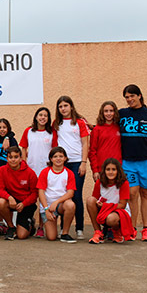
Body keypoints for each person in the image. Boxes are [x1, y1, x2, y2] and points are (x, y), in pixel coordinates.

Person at [119, 84, 147, 242]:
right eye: (126, 97)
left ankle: (146, 229)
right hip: (128, 162)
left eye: (132, 96)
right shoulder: (122, 114)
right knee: (131, 194)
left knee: (146, 193)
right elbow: (107, 125)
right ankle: (132, 229)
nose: (129, 99)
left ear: (139, 95)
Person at [54, 96, 89, 240]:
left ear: (71, 107)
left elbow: (86, 143)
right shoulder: (56, 123)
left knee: (76, 195)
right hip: (62, 163)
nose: (63, 109)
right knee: (64, 197)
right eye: (60, 106)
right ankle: (64, 227)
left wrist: (84, 162)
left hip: (77, 163)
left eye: (65, 105)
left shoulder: (80, 122)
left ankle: (79, 228)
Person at [19, 107, 57, 238]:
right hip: (31, 170)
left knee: (43, 199)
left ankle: (41, 227)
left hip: (46, 172)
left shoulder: (51, 133)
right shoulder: (28, 131)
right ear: (36, 117)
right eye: (40, 115)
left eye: (45, 116)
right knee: (30, 197)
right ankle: (29, 222)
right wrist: (24, 164)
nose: (43, 118)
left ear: (48, 119)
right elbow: (23, 148)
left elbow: (55, 151)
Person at [87, 158, 134, 244]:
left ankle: (117, 232)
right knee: (90, 200)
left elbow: (122, 205)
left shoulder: (124, 183)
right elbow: (95, 199)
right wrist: (99, 204)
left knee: (111, 219)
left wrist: (105, 206)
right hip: (104, 210)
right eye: (108, 169)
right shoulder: (99, 182)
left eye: (113, 169)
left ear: (118, 171)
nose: (111, 172)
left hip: (119, 211)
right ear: (104, 171)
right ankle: (98, 232)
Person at [0, 146, 38, 240]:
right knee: (1, 202)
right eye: (10, 157)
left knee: (21, 236)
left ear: (20, 158)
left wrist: (24, 203)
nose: (13, 160)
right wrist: (9, 198)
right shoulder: (2, 170)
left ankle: (30, 224)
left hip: (25, 202)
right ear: (7, 158)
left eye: (16, 157)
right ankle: (11, 227)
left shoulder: (30, 173)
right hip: (11, 200)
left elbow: (35, 194)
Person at [36, 147, 77, 243]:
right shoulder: (45, 172)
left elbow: (70, 193)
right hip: (48, 207)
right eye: (55, 156)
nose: (58, 159)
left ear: (65, 158)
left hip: (61, 205)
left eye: (61, 156)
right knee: (51, 237)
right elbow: (41, 192)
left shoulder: (69, 173)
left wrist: (57, 202)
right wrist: (46, 209)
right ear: (51, 159)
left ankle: (65, 233)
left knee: (70, 205)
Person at [89, 101, 122, 182]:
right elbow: (92, 151)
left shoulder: (120, 128)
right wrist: (95, 170)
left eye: (111, 111)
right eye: (106, 111)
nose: (109, 113)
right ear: (102, 113)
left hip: (118, 167)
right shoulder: (97, 129)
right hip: (102, 168)